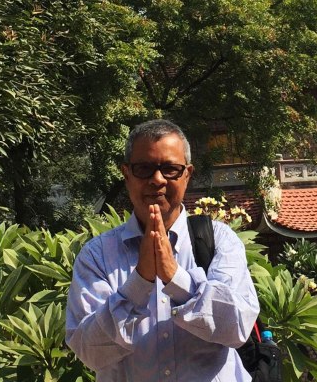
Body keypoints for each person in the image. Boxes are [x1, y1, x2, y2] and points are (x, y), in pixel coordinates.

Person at [66, 119, 260, 381]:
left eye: (170, 169)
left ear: (187, 174)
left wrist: (176, 278)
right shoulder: (97, 256)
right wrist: (139, 283)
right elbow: (89, 352)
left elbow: (237, 328)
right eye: (144, 168)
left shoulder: (219, 241)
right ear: (126, 174)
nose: (157, 180)